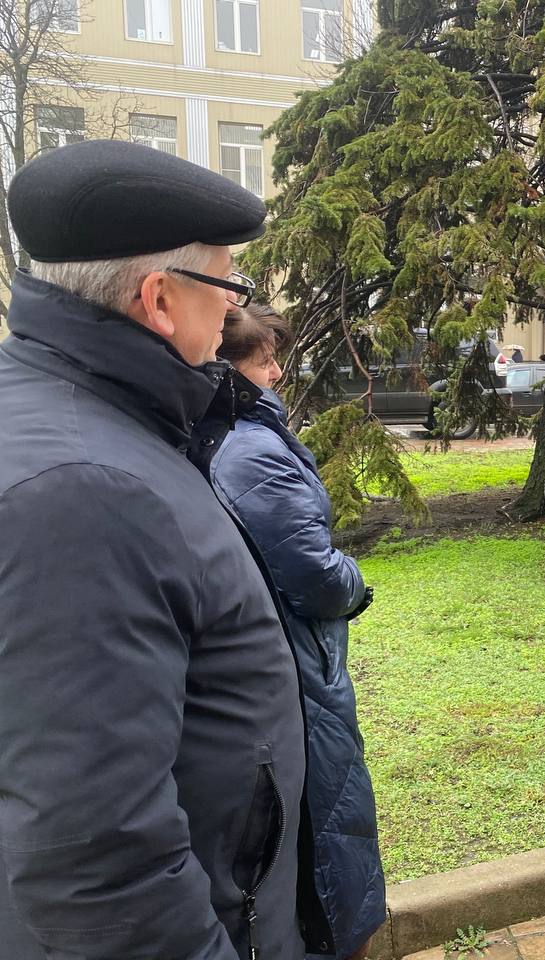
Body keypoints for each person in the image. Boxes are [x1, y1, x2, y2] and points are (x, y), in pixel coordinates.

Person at [0, 139, 315, 958]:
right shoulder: (85, 487)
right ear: (161, 300)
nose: (235, 312)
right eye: (228, 287)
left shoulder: (68, 418)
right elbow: (97, 864)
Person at [202, 304, 385, 960]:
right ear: (228, 372)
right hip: (300, 664)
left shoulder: (228, 435)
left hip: (282, 656)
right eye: (263, 360)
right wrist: (357, 583)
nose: (279, 370)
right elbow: (314, 573)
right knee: (328, 820)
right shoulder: (252, 452)